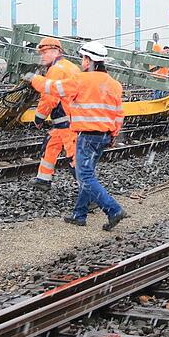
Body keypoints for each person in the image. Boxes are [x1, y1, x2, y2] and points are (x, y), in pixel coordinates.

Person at [40, 40, 129, 231]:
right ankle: (79, 214)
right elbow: (118, 114)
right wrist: (113, 135)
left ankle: (113, 209)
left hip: (87, 136)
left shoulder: (82, 80)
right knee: (88, 174)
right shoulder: (114, 84)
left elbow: (53, 89)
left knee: (85, 177)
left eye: (83, 58)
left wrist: (32, 78)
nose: (82, 62)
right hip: (104, 136)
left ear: (88, 61)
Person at [22, 37, 80, 192]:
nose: (42, 56)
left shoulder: (56, 69)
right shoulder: (70, 66)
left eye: (45, 52)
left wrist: (39, 116)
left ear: (56, 51)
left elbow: (49, 97)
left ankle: (90, 194)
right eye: (41, 53)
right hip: (68, 119)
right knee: (51, 145)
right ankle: (43, 180)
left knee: (74, 157)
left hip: (68, 121)